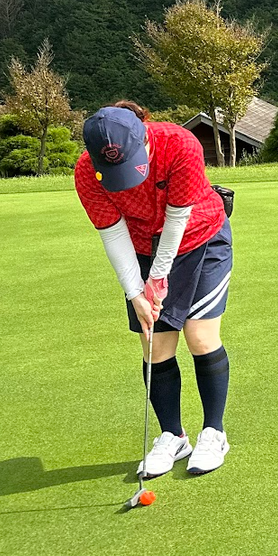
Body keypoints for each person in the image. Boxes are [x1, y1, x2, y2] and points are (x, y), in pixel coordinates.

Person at [74, 101, 233, 477]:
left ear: (144, 137)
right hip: (141, 247)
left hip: (200, 238)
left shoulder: (180, 145)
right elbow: (112, 234)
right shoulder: (85, 172)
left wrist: (157, 280)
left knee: (199, 336)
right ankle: (173, 437)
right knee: (154, 343)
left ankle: (214, 432)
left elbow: (177, 220)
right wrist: (135, 293)